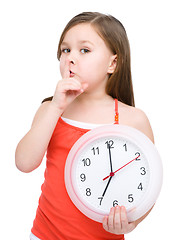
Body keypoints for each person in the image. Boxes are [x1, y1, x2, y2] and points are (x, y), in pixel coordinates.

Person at [15, 12, 154, 240]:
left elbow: (148, 187)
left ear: (113, 63)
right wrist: (56, 108)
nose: (70, 58)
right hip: (45, 235)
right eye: (65, 50)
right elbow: (24, 163)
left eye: (85, 50)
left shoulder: (134, 120)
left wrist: (131, 222)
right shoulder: (50, 110)